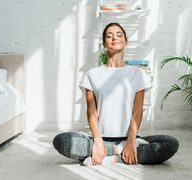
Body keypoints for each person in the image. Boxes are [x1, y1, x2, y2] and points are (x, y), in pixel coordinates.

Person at [53, 22, 179, 165]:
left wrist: (131, 141)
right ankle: (119, 151)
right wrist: (98, 140)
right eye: (109, 36)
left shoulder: (138, 73)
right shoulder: (92, 75)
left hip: (131, 138)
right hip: (102, 138)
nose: (115, 38)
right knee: (62, 141)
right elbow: (91, 112)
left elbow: (138, 111)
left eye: (119, 35)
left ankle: (111, 156)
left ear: (125, 42)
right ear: (104, 44)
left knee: (170, 143)